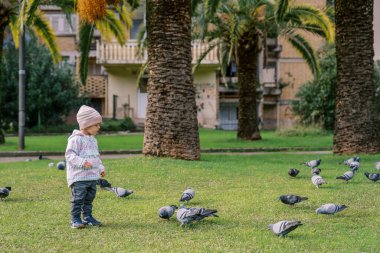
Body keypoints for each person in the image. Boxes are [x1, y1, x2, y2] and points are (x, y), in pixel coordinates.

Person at [65, 105, 106, 229]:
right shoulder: (76, 139)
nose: (99, 127)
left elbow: (96, 157)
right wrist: (82, 162)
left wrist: (100, 168)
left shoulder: (93, 140)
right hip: (79, 178)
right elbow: (69, 155)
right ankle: (75, 219)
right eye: (96, 125)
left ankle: (88, 217)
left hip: (92, 177)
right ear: (86, 124)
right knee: (78, 199)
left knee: (89, 199)